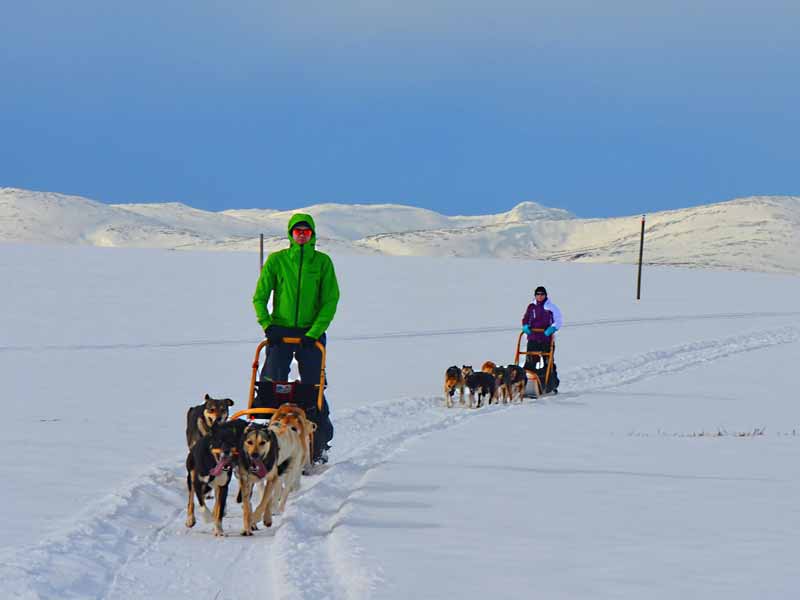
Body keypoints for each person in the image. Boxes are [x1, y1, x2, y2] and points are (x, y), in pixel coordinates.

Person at [253, 213, 340, 464]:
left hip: (310, 334)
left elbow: (330, 301)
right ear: (290, 234)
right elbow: (259, 297)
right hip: (280, 332)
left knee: (314, 387)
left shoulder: (322, 263)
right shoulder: (277, 260)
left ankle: (320, 439)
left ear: (312, 235)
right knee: (270, 384)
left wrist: (313, 333)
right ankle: (267, 437)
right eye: (297, 231)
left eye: (306, 232)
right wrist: (268, 325)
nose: (301, 235)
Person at [521, 285, 562, 393]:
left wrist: (552, 328)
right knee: (530, 362)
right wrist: (525, 326)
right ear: (535, 295)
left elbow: (558, 320)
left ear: (545, 295)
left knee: (548, 363)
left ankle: (551, 385)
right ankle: (528, 386)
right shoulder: (531, 307)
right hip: (533, 338)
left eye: (542, 294)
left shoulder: (551, 307)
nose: (540, 296)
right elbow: (525, 318)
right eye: (538, 294)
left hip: (546, 339)